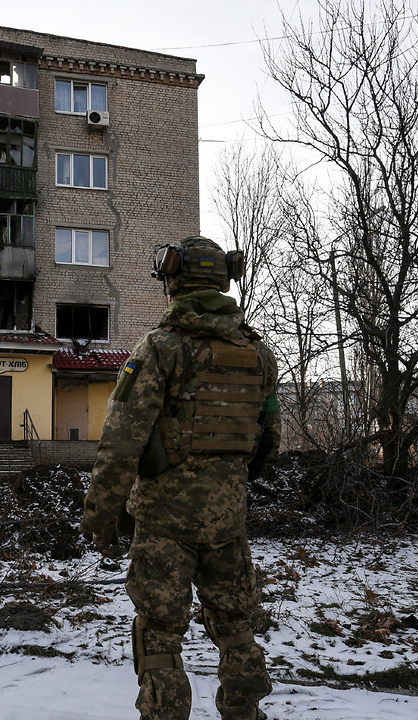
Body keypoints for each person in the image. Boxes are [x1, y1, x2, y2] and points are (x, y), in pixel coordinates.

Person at [80, 235, 280, 720]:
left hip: (164, 523)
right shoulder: (257, 353)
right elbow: (268, 441)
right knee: (236, 624)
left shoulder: (160, 349)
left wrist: (100, 515)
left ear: (174, 283)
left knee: (161, 633)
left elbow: (121, 442)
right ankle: (245, 712)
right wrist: (224, 485)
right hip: (227, 522)